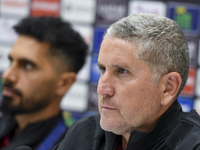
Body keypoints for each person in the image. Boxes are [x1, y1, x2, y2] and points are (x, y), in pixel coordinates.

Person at [54, 13, 200, 150]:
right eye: (103, 69)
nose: (101, 89)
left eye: (122, 71)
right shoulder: (85, 132)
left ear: (167, 88)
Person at [0, 16, 88, 150]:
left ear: (64, 83)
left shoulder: (69, 146)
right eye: (11, 61)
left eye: (27, 66)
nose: (7, 75)